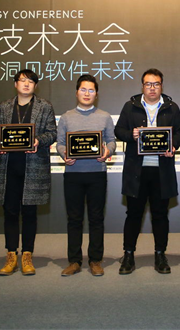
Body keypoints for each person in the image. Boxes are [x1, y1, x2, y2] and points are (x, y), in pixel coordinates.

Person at [114, 68, 180, 274]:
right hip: (137, 171)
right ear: (142, 86)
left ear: (161, 86)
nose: (152, 88)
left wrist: (173, 145)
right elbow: (118, 130)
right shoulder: (130, 106)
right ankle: (128, 255)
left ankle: (160, 255)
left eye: (156, 84)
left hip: (161, 171)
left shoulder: (172, 107)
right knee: (133, 214)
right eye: (148, 84)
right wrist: (132, 134)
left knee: (160, 215)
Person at [0, 69, 56, 276]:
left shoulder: (44, 106)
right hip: (9, 167)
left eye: (30, 81)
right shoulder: (4, 106)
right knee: (10, 212)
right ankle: (11, 255)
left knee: (29, 212)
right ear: (15, 84)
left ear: (35, 85)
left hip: (34, 167)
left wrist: (38, 140)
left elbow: (52, 133)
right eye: (22, 81)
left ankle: (27, 255)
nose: (26, 84)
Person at [56, 75, 116, 277]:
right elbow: (60, 144)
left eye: (91, 90)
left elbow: (111, 141)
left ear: (96, 94)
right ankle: (74, 261)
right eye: (83, 89)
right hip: (73, 174)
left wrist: (107, 151)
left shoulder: (105, 117)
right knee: (74, 219)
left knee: (96, 218)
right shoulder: (66, 117)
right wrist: (64, 154)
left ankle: (95, 260)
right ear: (76, 92)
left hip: (97, 173)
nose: (87, 93)